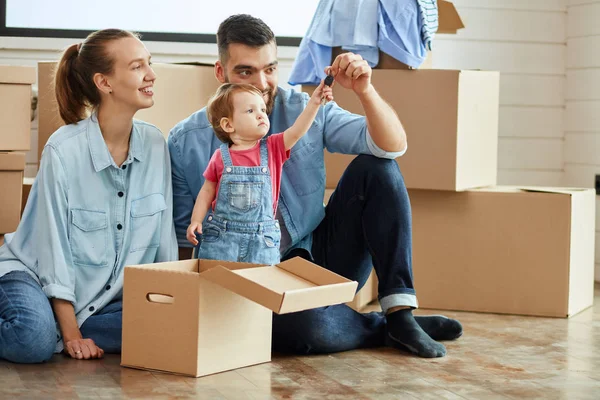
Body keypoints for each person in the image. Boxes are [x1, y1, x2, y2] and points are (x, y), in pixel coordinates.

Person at [169, 15, 462, 358]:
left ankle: (400, 313)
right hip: (244, 274)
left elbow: (391, 145)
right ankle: (382, 328)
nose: (262, 83)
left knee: (378, 169)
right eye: (245, 72)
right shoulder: (184, 142)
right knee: (301, 331)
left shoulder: (302, 108)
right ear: (220, 73)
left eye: (270, 69)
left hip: (317, 257)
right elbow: (184, 240)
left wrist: (364, 90)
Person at [0, 29, 177, 363]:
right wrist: (72, 336)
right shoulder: (63, 150)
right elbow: (53, 251)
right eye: (137, 66)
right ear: (104, 82)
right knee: (32, 341)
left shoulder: (156, 145)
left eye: (149, 64)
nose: (151, 74)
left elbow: (163, 240)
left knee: (173, 321)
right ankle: (50, 323)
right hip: (35, 276)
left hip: (105, 296)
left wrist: (171, 302)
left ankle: (61, 323)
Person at [186, 80, 333, 265]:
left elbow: (297, 131)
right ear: (228, 125)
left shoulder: (273, 148)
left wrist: (315, 102)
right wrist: (196, 220)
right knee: (217, 282)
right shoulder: (220, 157)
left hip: (262, 240)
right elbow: (207, 191)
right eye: (250, 111)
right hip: (223, 239)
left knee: (260, 287)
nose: (261, 115)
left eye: (263, 110)